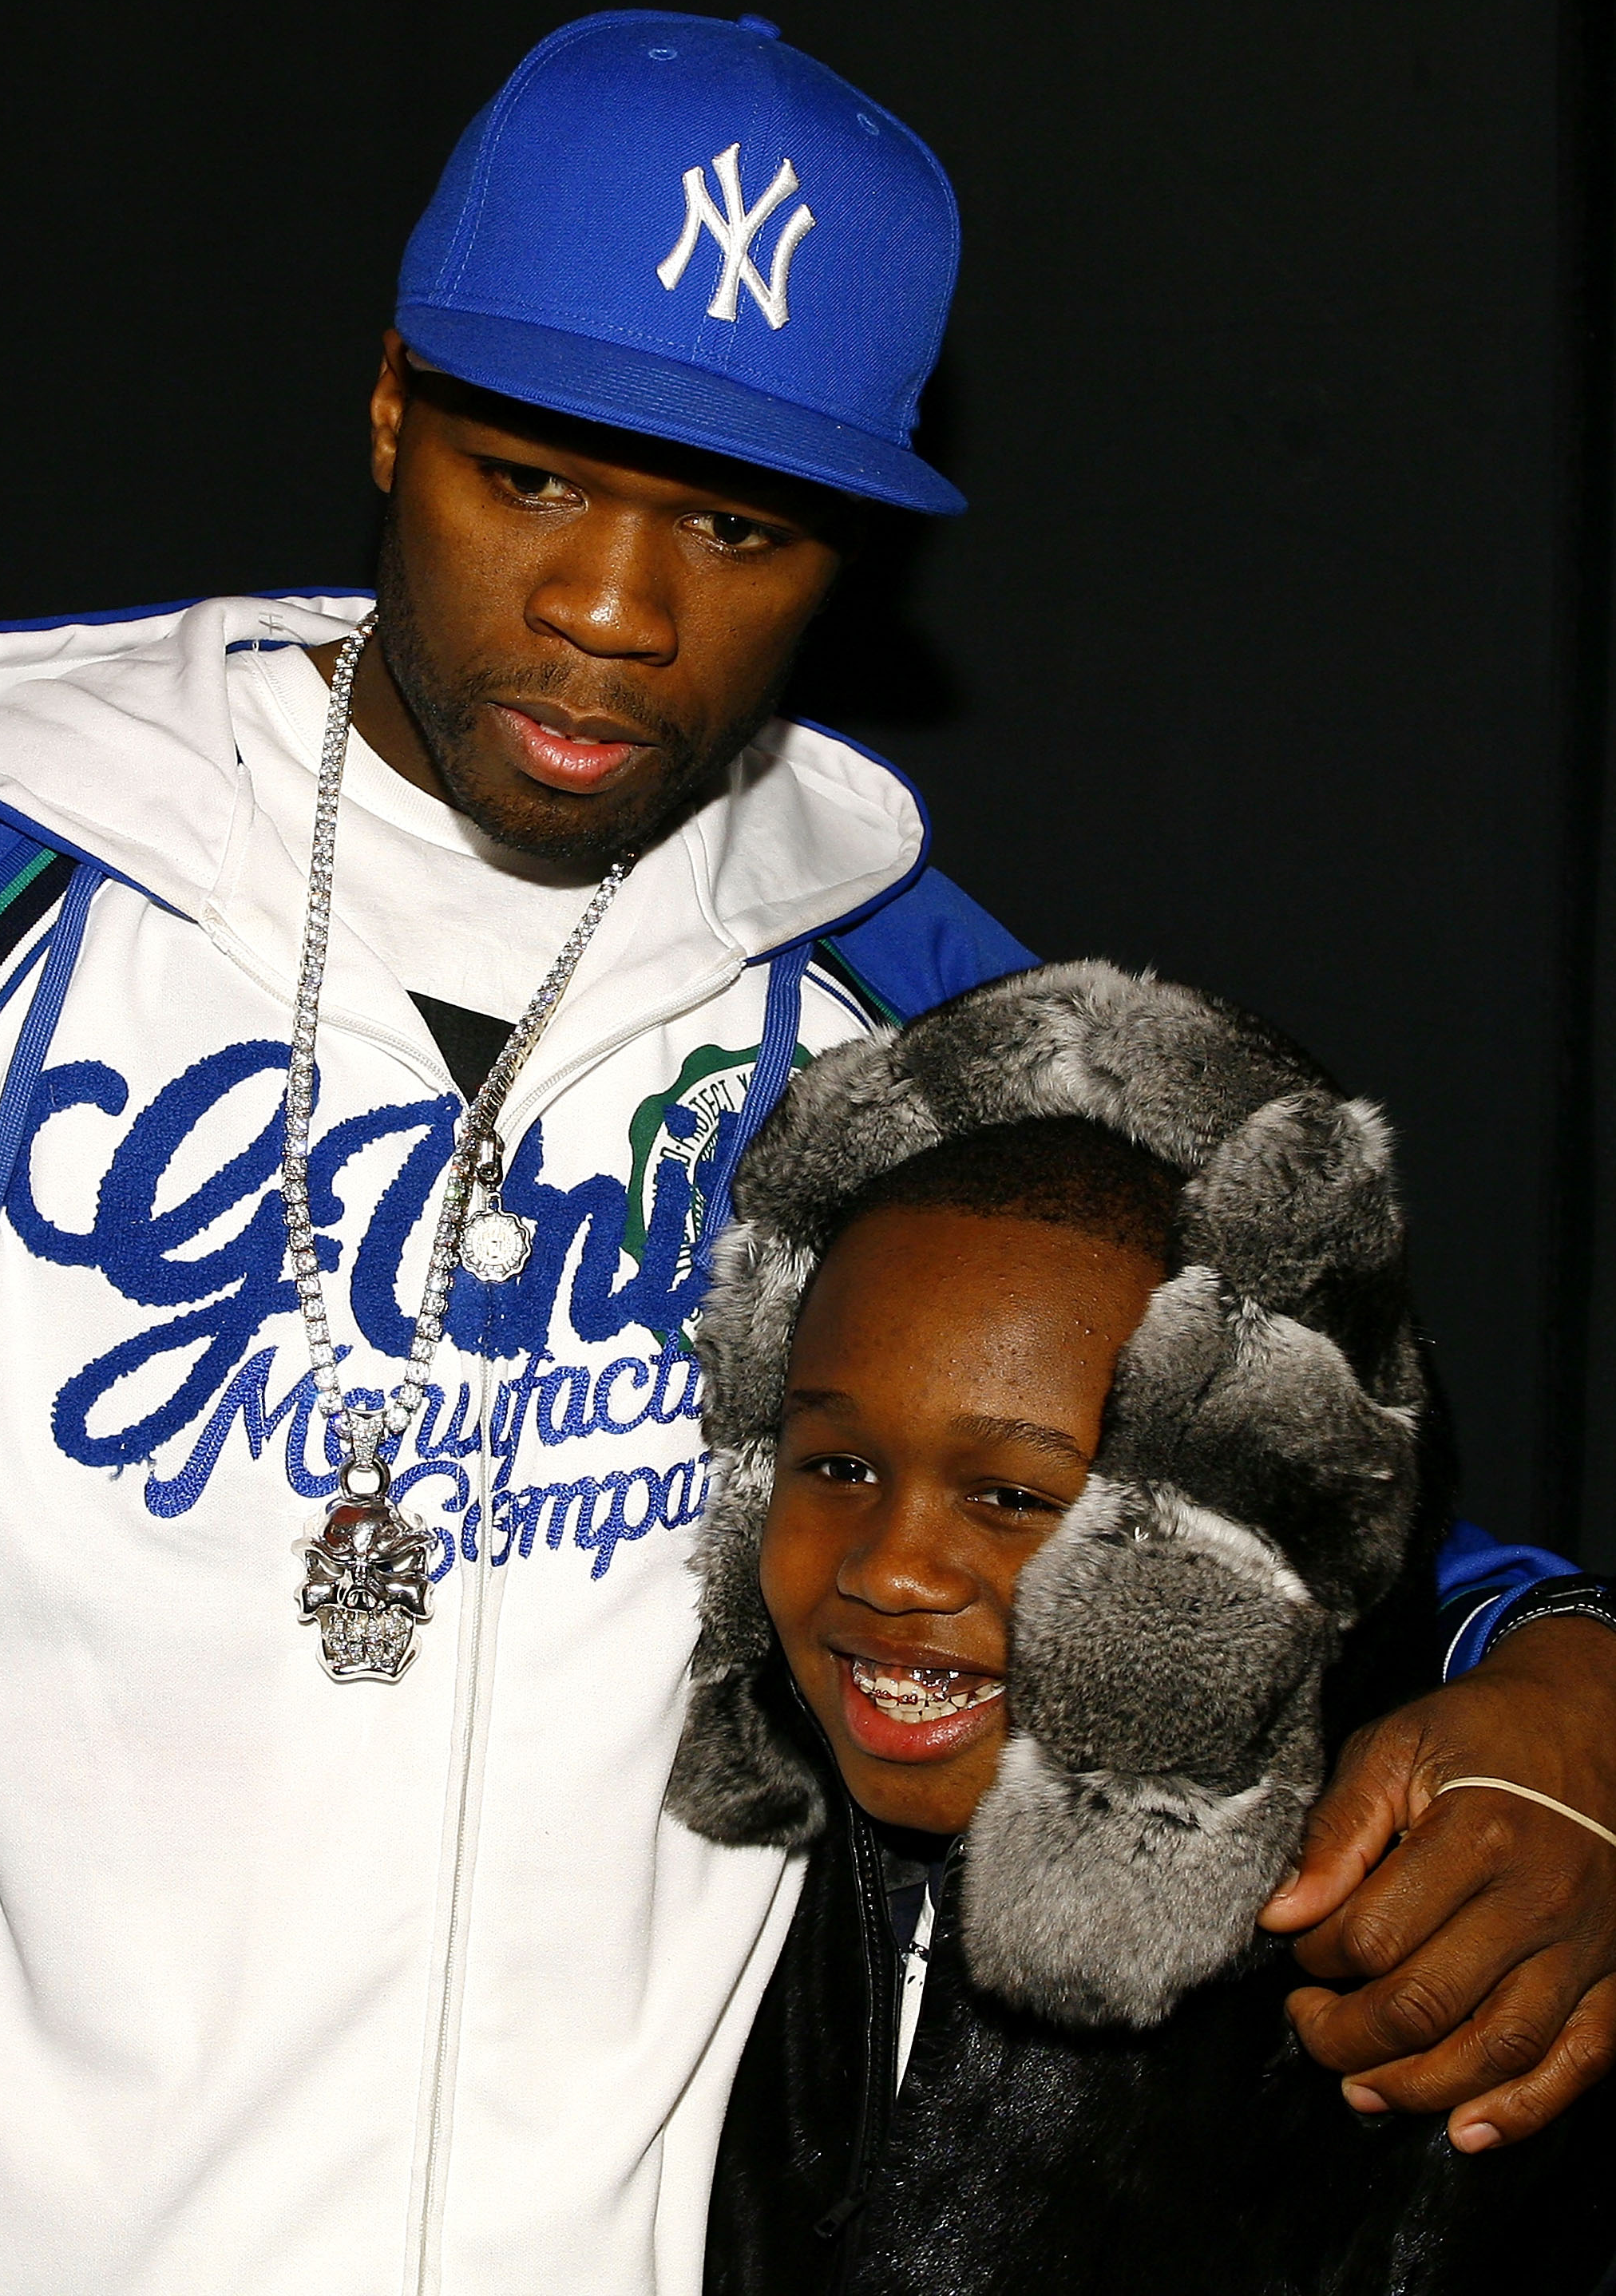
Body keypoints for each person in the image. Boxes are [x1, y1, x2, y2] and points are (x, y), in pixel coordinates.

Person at [0, 10, 1611, 2296]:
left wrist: (1570, 1680)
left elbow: (1304, 1515)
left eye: (733, 523)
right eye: (532, 477)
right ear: (392, 403)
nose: (614, 611)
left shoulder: (914, 1013)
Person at [673, 962, 1616, 2294]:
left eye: (1011, 1494)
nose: (892, 1569)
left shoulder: (1413, 1959)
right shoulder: (761, 1869)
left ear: (1207, 1545)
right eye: (836, 1468)